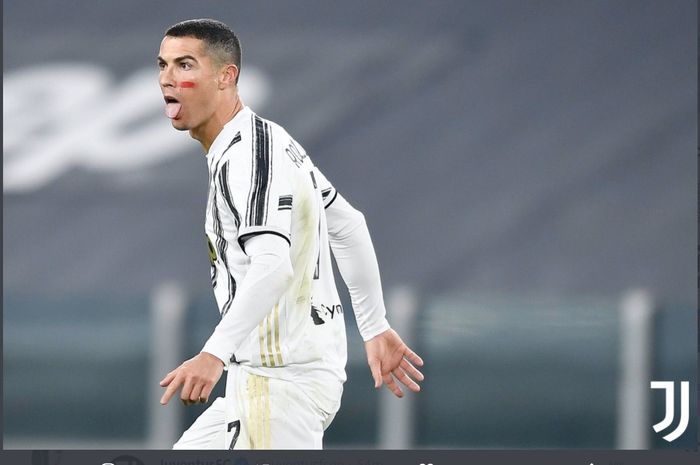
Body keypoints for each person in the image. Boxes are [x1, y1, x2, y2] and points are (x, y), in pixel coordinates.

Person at [157, 18, 424, 450]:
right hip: (265, 383)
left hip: (276, 383)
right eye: (163, 65)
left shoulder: (247, 157)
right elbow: (347, 223)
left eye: (185, 65)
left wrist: (213, 354)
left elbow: (273, 265)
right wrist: (374, 327)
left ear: (227, 77)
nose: (168, 78)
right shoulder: (269, 141)